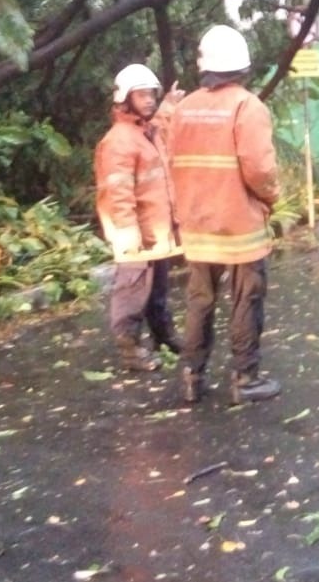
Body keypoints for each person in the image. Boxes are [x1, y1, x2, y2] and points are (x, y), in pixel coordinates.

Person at [169, 25, 281, 404]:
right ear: (243, 67)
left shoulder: (182, 109)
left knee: (199, 301)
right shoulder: (247, 107)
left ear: (205, 66)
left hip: (198, 227)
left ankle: (191, 376)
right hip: (240, 228)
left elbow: (172, 166)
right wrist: (271, 198)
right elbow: (260, 171)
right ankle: (245, 379)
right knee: (246, 299)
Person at [94, 63, 184, 372]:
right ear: (124, 98)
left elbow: (161, 125)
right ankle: (130, 349)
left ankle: (163, 335)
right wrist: (127, 234)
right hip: (133, 235)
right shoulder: (119, 141)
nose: (149, 100)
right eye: (141, 95)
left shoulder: (145, 132)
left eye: (151, 95)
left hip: (154, 233)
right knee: (131, 292)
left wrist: (170, 105)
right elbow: (118, 194)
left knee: (157, 290)